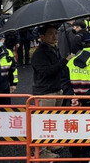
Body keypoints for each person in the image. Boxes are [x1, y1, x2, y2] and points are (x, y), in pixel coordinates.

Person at [61, 32, 90, 161]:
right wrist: (84, 98)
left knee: (76, 129)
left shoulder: (71, 61)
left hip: (73, 103)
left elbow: (64, 82)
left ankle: (76, 155)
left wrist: (73, 97)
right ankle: (88, 157)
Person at [31, 24, 74, 158]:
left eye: (56, 33)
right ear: (42, 37)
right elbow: (46, 72)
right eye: (50, 33)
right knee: (43, 122)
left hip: (56, 89)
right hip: (45, 92)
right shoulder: (39, 53)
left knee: (52, 121)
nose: (55, 36)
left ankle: (50, 144)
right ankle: (41, 152)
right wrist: (64, 62)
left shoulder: (54, 49)